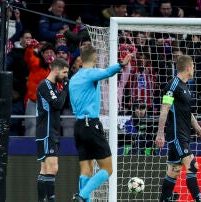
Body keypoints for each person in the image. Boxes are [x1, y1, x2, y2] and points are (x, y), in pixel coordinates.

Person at [69, 45, 133, 202]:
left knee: (86, 170)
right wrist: (121, 64)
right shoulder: (89, 73)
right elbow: (107, 72)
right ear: (96, 58)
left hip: (78, 126)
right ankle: (82, 196)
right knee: (108, 168)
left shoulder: (74, 78)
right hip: (91, 124)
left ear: (81, 59)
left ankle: (84, 199)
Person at [155, 55, 201, 202]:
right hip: (176, 134)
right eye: (192, 66)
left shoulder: (185, 86)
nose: (194, 68)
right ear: (187, 67)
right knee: (193, 166)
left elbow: (188, 113)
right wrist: (160, 133)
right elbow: (165, 108)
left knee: (173, 173)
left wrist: (200, 131)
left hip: (184, 134)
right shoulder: (173, 85)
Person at [36, 58, 69, 202]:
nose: (66, 76)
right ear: (56, 69)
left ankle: (42, 199)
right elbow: (57, 104)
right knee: (52, 168)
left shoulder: (54, 85)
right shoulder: (45, 85)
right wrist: (66, 88)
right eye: (64, 72)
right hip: (47, 131)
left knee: (45, 169)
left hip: (51, 131)